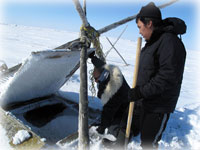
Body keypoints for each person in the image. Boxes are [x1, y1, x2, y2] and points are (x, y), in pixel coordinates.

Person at [128, 2, 187, 149]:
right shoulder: (153, 42)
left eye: (140, 27)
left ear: (149, 23)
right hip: (147, 100)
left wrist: (140, 91)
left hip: (159, 105)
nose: (139, 32)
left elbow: (167, 77)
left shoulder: (169, 42)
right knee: (143, 137)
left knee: (149, 143)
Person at [88, 52, 140, 148]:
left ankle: (122, 141)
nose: (95, 81)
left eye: (96, 78)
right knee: (111, 120)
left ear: (103, 75)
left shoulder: (113, 88)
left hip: (130, 110)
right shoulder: (110, 71)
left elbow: (108, 110)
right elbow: (102, 65)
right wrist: (92, 58)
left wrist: (102, 127)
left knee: (114, 129)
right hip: (121, 104)